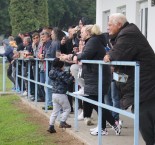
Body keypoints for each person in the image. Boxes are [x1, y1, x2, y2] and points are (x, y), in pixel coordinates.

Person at [104, 13, 155, 145]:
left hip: (147, 87)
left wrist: (109, 56)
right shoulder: (125, 33)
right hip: (143, 87)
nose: (107, 27)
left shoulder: (128, 34)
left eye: (110, 24)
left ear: (119, 25)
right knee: (145, 123)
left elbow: (118, 54)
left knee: (146, 123)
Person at [47, 58, 74, 133]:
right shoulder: (62, 73)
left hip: (54, 94)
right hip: (61, 94)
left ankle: (51, 126)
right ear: (60, 66)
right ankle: (62, 122)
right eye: (63, 66)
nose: (64, 67)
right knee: (68, 109)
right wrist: (72, 76)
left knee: (54, 111)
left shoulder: (51, 72)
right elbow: (68, 81)